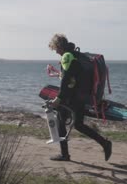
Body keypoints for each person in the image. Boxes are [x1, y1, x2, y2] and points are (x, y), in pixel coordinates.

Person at [48, 33, 112, 161]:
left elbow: (66, 81)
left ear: (59, 46)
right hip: (80, 96)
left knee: (61, 123)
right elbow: (72, 76)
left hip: (70, 98)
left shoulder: (66, 56)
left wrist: (58, 98)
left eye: (55, 48)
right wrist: (58, 74)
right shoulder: (75, 55)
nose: (55, 52)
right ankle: (105, 143)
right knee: (78, 125)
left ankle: (65, 155)